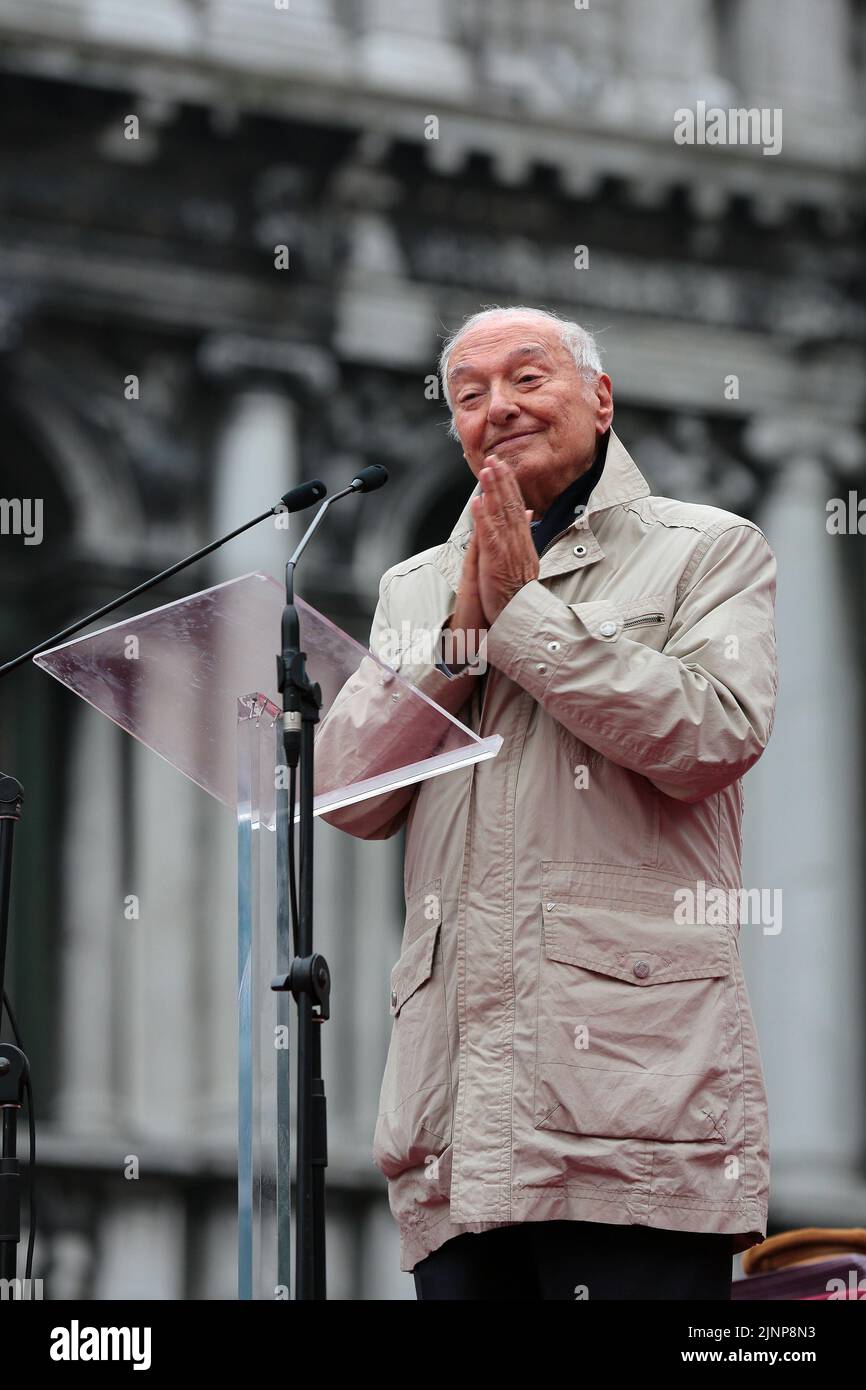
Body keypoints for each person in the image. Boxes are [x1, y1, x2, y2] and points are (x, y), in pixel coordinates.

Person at [316, 305, 778, 1300]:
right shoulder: (416, 584)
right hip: (452, 1115)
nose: (497, 407)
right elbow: (348, 790)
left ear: (600, 399)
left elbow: (712, 734)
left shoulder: (707, 548)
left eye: (527, 379)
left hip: (635, 1105)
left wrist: (521, 618)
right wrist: (457, 639)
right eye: (468, 395)